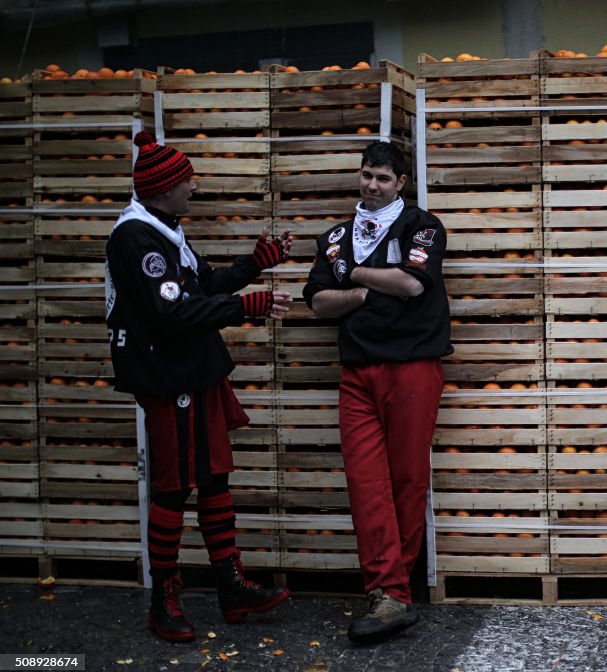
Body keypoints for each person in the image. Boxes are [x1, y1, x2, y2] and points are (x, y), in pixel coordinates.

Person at [104, 131, 293, 642]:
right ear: (164, 187)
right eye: (187, 178)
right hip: (168, 375)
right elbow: (171, 312)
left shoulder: (167, 227)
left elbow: (199, 283)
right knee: (174, 484)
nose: (194, 185)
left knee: (212, 477)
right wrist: (245, 307)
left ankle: (230, 586)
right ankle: (163, 597)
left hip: (197, 369)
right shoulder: (135, 237)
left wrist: (253, 265)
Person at [303, 141, 451, 642]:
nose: (372, 185)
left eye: (383, 178)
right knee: (365, 482)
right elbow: (319, 302)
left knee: (407, 480)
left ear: (401, 183)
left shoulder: (422, 226)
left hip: (412, 367)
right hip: (357, 372)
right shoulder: (335, 237)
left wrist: (355, 276)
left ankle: (393, 592)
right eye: (367, 175)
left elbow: (412, 285)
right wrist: (368, 288)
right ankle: (389, 592)